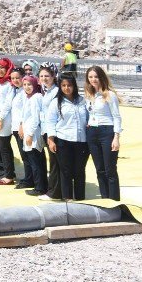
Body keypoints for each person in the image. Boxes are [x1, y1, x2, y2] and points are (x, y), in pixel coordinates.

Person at [46, 72, 90, 201]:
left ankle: (80, 198)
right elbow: (50, 121)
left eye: (69, 85)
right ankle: (67, 197)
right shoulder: (56, 102)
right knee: (66, 171)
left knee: (79, 170)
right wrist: (51, 140)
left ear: (74, 86)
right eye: (63, 85)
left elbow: (88, 118)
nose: (66, 88)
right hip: (63, 140)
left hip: (81, 141)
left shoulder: (82, 101)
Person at [84, 66, 122, 201]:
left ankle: (114, 200)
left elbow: (117, 117)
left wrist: (116, 137)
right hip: (92, 132)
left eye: (96, 76)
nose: (93, 79)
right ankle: (105, 199)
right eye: (90, 77)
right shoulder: (88, 95)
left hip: (107, 132)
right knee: (99, 169)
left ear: (101, 77)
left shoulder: (109, 95)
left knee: (110, 169)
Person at [0, 62, 19, 185]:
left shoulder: (9, 84)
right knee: (2, 147)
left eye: (2, 68)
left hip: (4, 119)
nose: (0, 70)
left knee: (5, 147)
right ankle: (8, 172)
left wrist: (0, 118)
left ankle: (9, 175)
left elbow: (8, 103)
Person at [18, 75, 47, 196]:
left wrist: (29, 134)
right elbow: (25, 115)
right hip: (27, 130)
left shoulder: (36, 97)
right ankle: (39, 185)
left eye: (29, 84)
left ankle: (40, 187)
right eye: (24, 85)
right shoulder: (28, 97)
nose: (27, 87)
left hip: (33, 133)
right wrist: (21, 126)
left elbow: (36, 118)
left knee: (36, 161)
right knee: (33, 160)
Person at [37, 65, 62, 201]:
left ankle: (54, 192)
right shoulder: (46, 91)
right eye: (41, 76)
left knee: (54, 162)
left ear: (53, 77)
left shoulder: (56, 92)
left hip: (53, 131)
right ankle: (53, 190)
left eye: (47, 76)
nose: (44, 78)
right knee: (53, 161)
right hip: (46, 129)